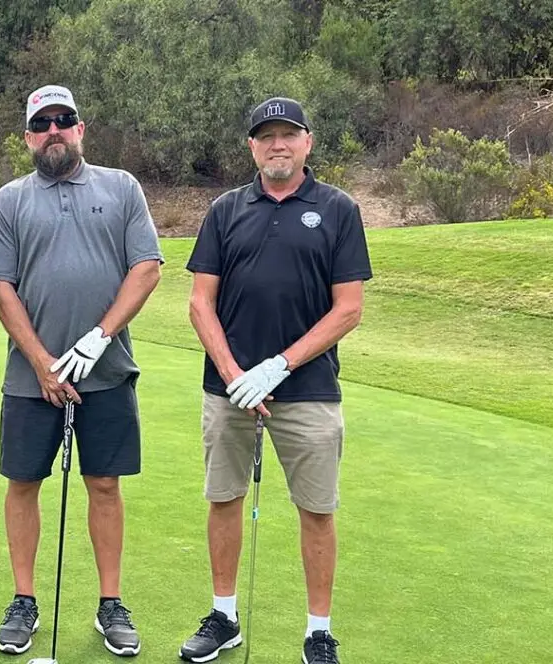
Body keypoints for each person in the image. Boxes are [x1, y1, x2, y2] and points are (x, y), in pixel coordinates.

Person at [179, 97, 372, 664]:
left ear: (308, 141)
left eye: (289, 134)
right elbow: (199, 302)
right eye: (267, 136)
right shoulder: (225, 209)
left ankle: (318, 630)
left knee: (316, 508)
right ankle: (224, 616)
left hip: (307, 389)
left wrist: (279, 365)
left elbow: (348, 309)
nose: (278, 144)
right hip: (229, 391)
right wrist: (236, 373)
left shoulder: (338, 209)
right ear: (252, 147)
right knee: (224, 498)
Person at [0, 84, 164, 658]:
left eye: (66, 120)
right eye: (43, 123)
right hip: (29, 378)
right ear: (29, 136)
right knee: (24, 483)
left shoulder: (121, 188)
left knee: (104, 485)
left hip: (106, 371)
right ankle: (24, 600)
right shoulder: (9, 199)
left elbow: (146, 268)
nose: (55, 130)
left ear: (81, 128)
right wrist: (40, 361)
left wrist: (98, 336)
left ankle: (111, 603)